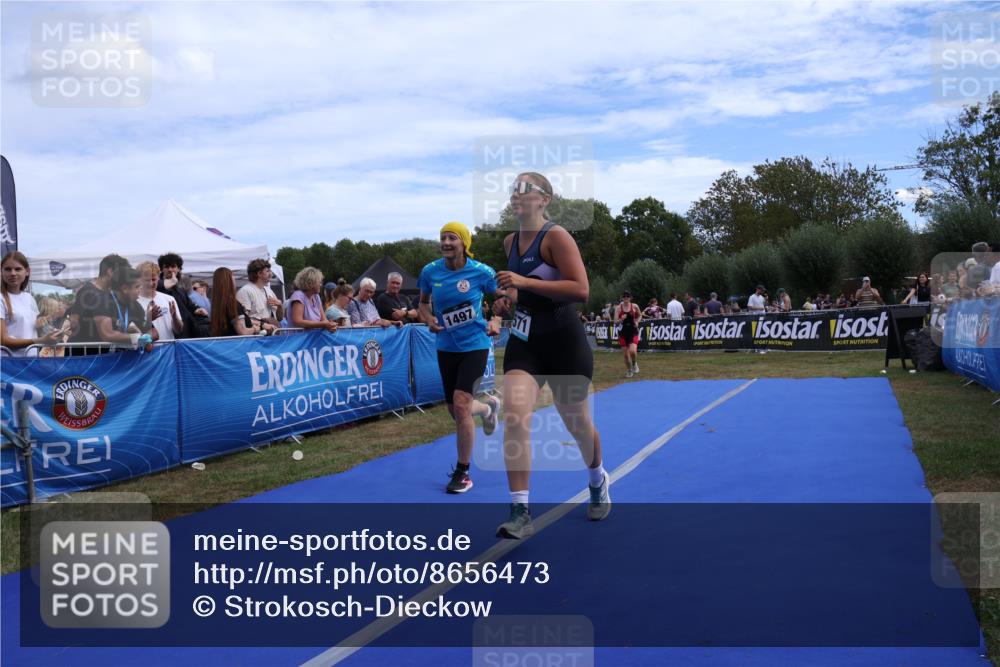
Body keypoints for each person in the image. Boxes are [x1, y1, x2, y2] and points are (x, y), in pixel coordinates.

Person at [494, 172, 610, 539]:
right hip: (525, 342)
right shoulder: (510, 242)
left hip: (564, 343)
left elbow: (581, 289)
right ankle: (520, 510)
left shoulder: (557, 236)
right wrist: (508, 300)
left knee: (576, 425)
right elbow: (523, 296)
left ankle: (597, 479)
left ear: (544, 199)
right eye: (514, 189)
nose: (516, 195)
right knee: (514, 415)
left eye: (524, 189)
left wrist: (526, 283)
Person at [417, 221, 502, 494]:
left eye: (452, 238)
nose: (446, 242)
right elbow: (422, 303)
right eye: (442, 237)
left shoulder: (481, 272)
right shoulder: (430, 271)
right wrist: (429, 319)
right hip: (446, 346)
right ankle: (488, 409)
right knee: (456, 411)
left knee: (461, 404)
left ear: (464, 242)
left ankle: (462, 472)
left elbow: (503, 296)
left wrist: (496, 319)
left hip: (475, 345)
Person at [1, 252, 63, 356]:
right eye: (7, 269)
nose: (13, 273)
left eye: (18, 269)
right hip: (8, 363)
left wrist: (51, 333)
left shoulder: (29, 298)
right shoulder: (1, 298)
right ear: (1, 271)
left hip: (31, 360)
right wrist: (40, 340)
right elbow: (3, 340)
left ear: (27, 271)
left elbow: (32, 330)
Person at [66, 253, 131, 351]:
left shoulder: (110, 294)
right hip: (84, 356)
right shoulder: (90, 292)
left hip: (99, 355)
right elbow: (74, 323)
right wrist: (137, 338)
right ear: (110, 272)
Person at [94, 266, 157, 346]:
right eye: (137, 287)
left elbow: (154, 333)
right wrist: (137, 337)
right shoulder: (102, 302)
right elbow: (108, 335)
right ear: (125, 289)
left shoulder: (135, 305)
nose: (140, 290)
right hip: (94, 356)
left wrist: (145, 331)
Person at [157, 252, 209, 337]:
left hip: (184, 334)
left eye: (173, 266)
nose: (170, 269)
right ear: (162, 270)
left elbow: (190, 306)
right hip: (165, 335)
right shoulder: (157, 287)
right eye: (166, 267)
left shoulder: (180, 291)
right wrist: (166, 284)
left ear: (179, 269)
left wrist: (198, 309)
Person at [211, 267, 269, 336]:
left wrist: (260, 323)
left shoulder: (217, 304)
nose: (234, 278)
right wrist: (255, 329)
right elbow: (243, 332)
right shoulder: (232, 304)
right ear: (228, 280)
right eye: (232, 276)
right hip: (238, 344)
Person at [136, 261, 184, 341]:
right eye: (147, 280)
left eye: (154, 279)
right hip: (145, 350)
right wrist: (148, 320)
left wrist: (175, 317)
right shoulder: (133, 302)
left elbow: (178, 330)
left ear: (158, 278)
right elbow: (131, 334)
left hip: (167, 349)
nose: (151, 283)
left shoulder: (169, 299)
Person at [288, 267, 338, 332]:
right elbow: (298, 322)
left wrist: (330, 325)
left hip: (313, 338)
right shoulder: (298, 295)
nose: (321, 285)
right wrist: (324, 324)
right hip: (299, 339)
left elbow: (324, 320)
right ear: (310, 283)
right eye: (319, 282)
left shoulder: (316, 296)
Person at [237, 258, 284, 329]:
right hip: (256, 337)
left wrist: (280, 306)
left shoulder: (269, 291)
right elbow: (243, 320)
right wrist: (263, 323)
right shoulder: (245, 291)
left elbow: (280, 318)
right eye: (267, 271)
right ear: (259, 274)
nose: (271, 274)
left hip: (271, 336)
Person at [615, 290, 641, 377]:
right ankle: (629, 370)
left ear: (630, 298)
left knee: (632, 351)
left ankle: (634, 364)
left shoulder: (635, 306)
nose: (626, 298)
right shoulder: (618, 308)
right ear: (622, 298)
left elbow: (640, 315)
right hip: (623, 333)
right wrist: (621, 319)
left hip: (633, 331)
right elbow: (615, 322)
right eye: (624, 296)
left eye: (627, 296)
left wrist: (637, 321)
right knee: (626, 355)